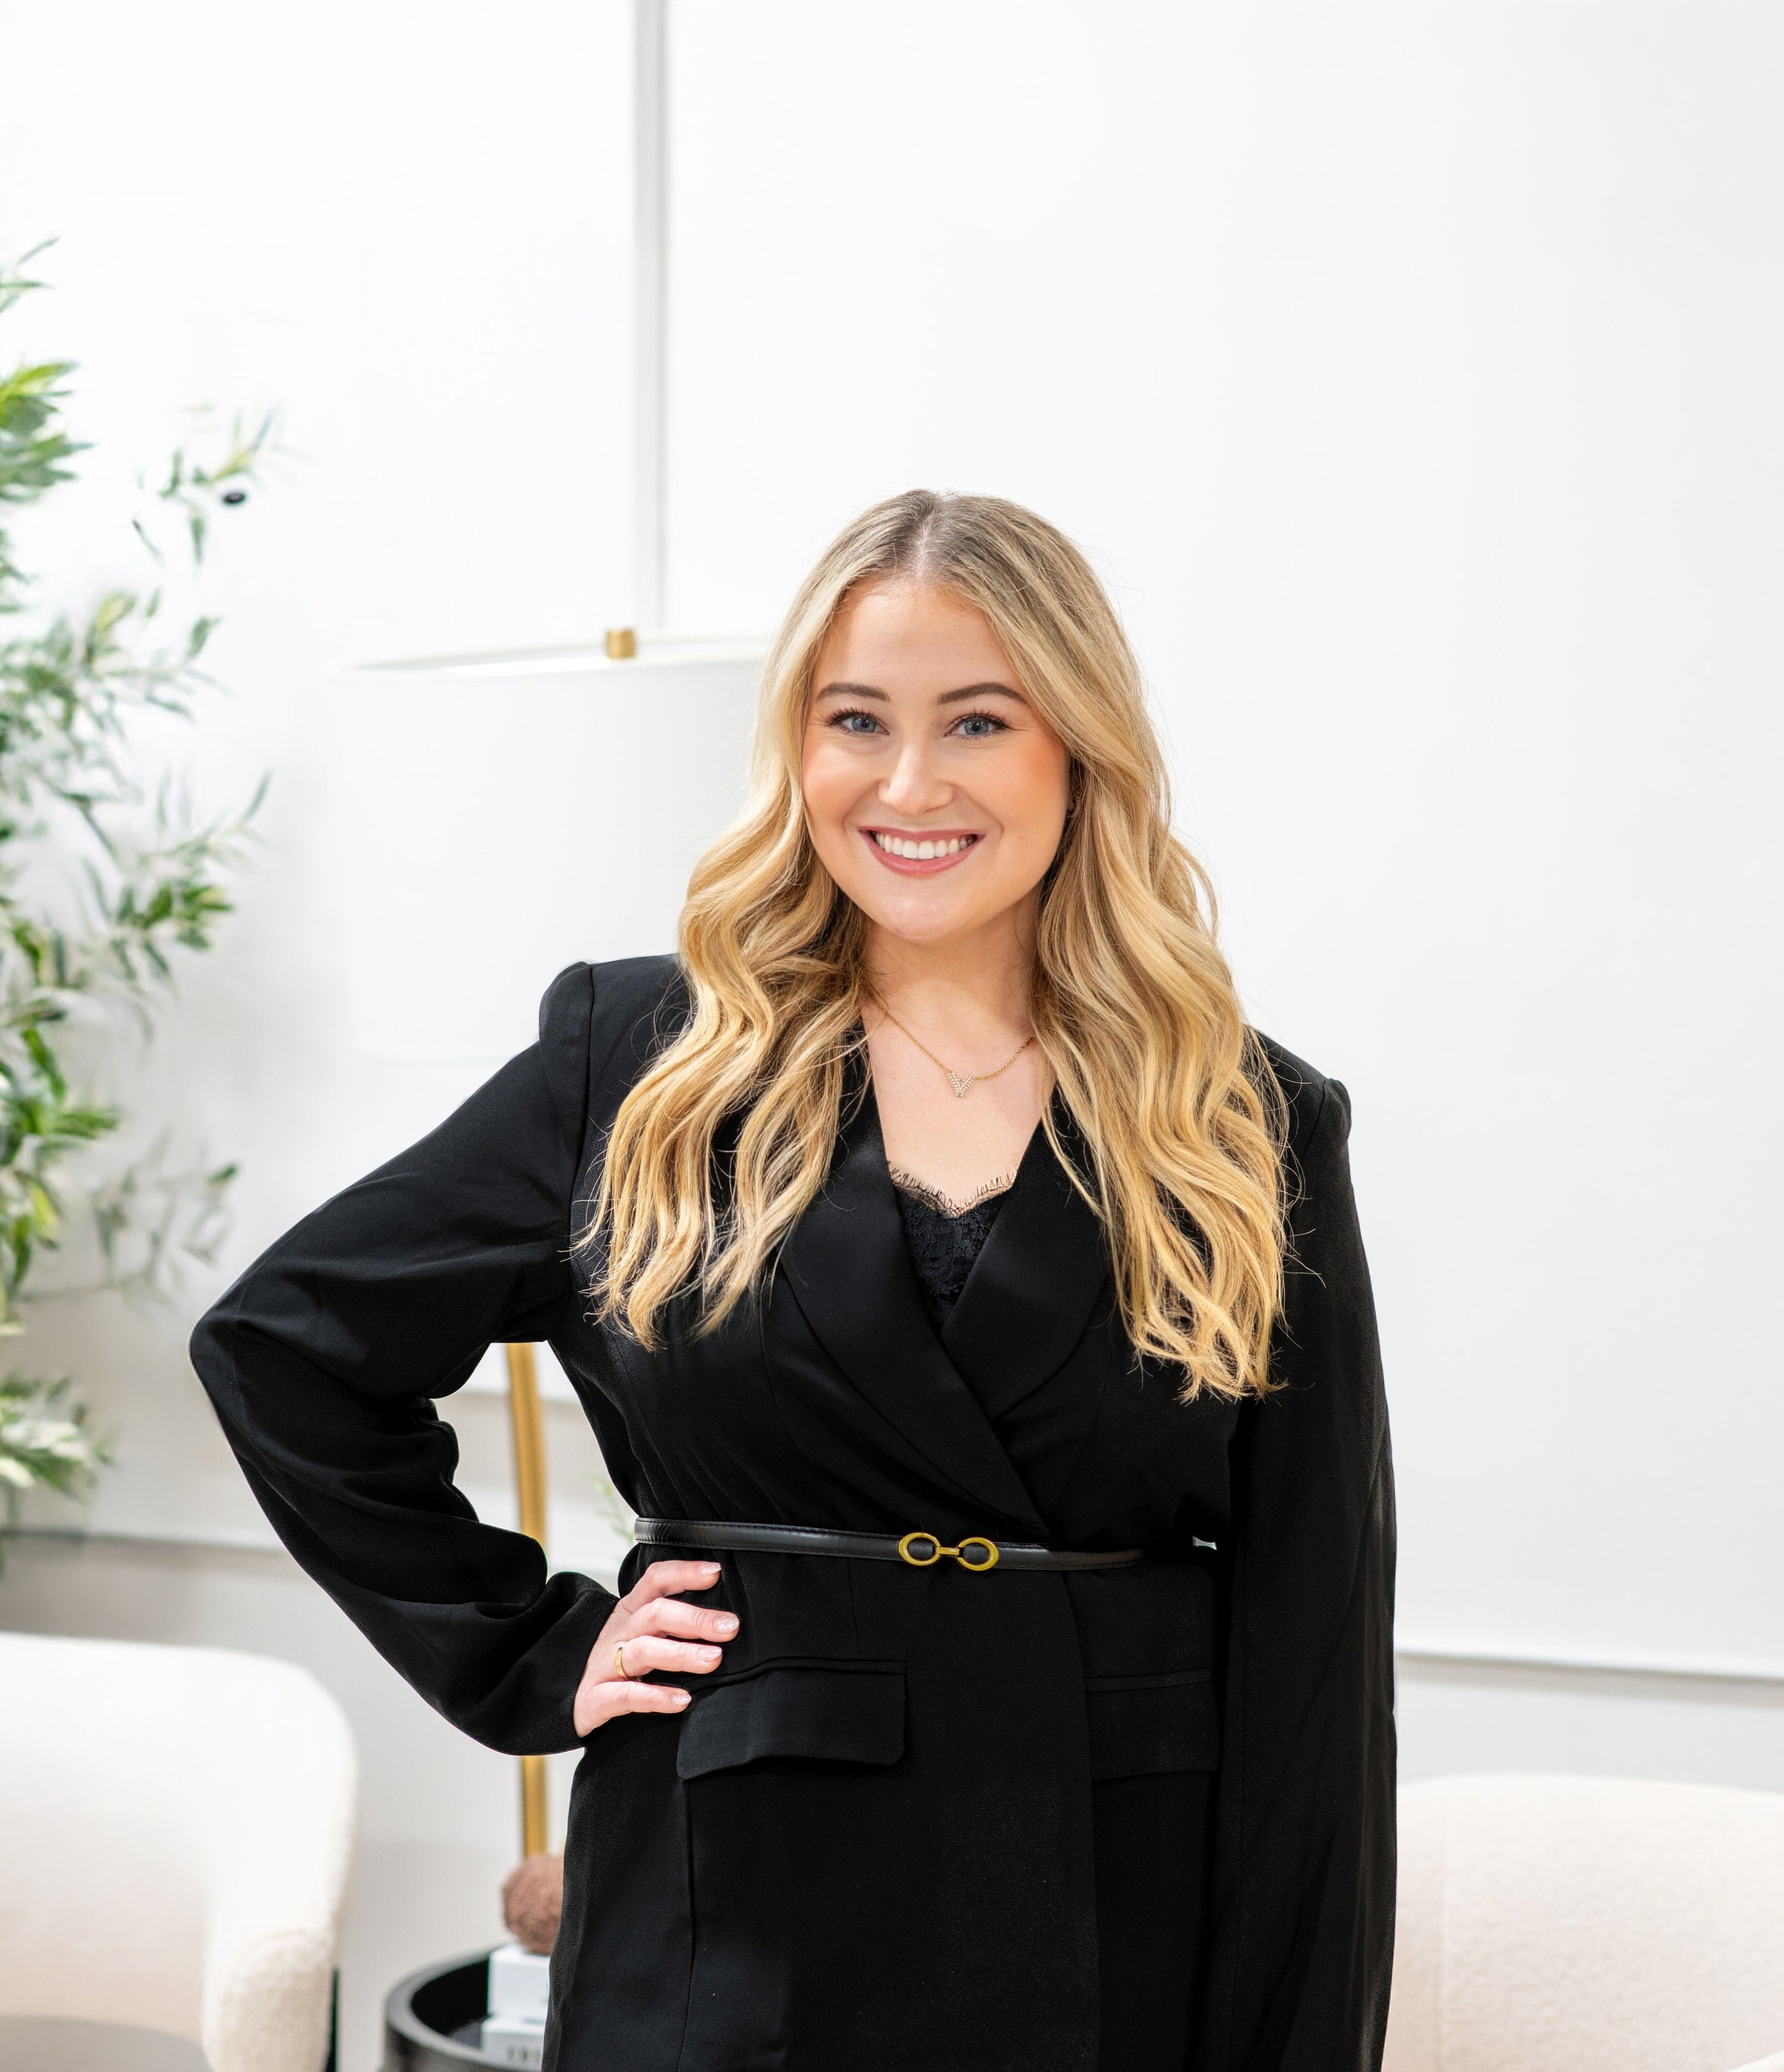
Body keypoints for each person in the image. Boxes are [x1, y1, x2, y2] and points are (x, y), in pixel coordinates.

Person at [191, 490, 1395, 2072]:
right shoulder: (641, 1063)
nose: (909, 783)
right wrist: (532, 1648)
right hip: (729, 1908)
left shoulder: (1243, 1118)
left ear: (1078, 749)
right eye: (857, 720)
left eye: (978, 721)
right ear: (798, 747)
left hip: (1117, 1916)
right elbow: (286, 1345)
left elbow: (1317, 1640)